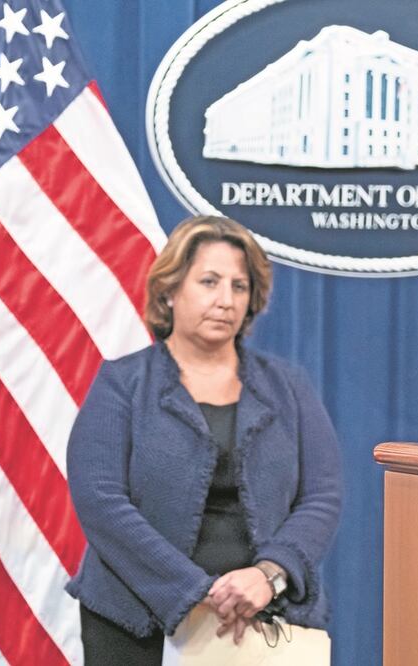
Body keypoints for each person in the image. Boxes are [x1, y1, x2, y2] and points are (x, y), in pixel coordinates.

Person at [66, 216, 342, 664]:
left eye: (239, 286)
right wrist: (195, 590)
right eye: (209, 281)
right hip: (133, 622)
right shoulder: (122, 384)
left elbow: (321, 497)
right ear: (170, 290)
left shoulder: (289, 387)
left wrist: (268, 576)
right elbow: (101, 501)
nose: (224, 300)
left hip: (261, 615)